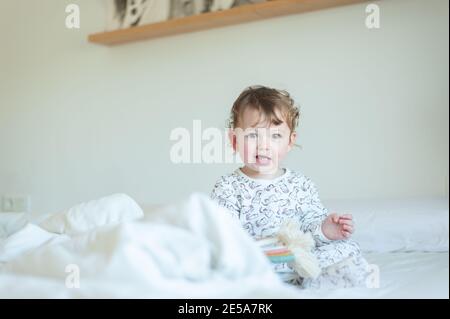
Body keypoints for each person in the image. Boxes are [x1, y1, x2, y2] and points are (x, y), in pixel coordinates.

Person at [211, 85, 371, 288]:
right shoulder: (228, 187)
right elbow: (225, 235)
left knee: (346, 248)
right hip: (256, 264)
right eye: (253, 135)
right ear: (234, 140)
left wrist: (325, 230)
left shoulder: (301, 185)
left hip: (298, 264)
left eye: (275, 136)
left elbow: (310, 235)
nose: (264, 145)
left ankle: (314, 284)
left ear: (289, 141)